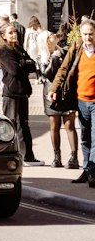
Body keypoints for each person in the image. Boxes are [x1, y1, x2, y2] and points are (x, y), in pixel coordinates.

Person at [49, 17, 95, 185]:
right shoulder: (77, 47)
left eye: (91, 34)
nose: (88, 38)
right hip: (81, 101)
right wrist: (53, 88)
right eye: (85, 34)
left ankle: (92, 172)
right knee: (85, 138)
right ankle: (86, 170)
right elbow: (63, 68)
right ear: (80, 35)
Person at [0, 21, 38, 163]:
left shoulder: (19, 49)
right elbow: (13, 70)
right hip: (11, 93)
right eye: (10, 32)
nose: (14, 34)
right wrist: (24, 63)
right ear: (3, 36)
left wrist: (23, 63)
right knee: (11, 124)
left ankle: (28, 155)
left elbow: (33, 65)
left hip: (23, 91)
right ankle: (10, 154)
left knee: (24, 124)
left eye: (15, 32)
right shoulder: (4, 50)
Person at [42, 26, 79, 170]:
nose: (53, 36)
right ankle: (57, 157)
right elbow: (47, 74)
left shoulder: (64, 51)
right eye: (50, 36)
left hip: (66, 92)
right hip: (51, 92)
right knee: (54, 126)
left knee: (69, 125)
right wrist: (54, 58)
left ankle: (74, 157)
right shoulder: (43, 56)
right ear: (45, 41)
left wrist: (60, 55)